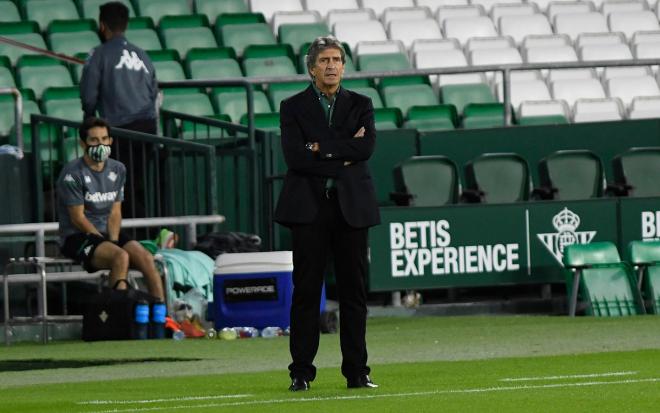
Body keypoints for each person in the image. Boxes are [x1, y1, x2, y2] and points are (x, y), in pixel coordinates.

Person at [274, 36, 380, 391]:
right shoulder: (292, 106)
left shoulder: (362, 103)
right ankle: (301, 372)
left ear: (344, 66)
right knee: (305, 292)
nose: (332, 66)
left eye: (337, 59)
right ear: (311, 67)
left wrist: (321, 149)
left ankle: (357, 372)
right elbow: (296, 157)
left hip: (351, 209)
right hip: (309, 210)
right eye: (324, 61)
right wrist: (342, 155)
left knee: (354, 293)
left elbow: (366, 147)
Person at [56, 117, 164, 301]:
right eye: (94, 140)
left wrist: (112, 240)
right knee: (120, 257)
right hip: (77, 236)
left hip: (107, 232)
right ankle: (118, 314)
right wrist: (103, 243)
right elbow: (77, 218)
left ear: (111, 141)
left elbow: (115, 212)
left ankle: (162, 313)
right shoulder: (72, 174)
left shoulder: (118, 169)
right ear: (83, 144)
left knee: (145, 257)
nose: (101, 144)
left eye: (105, 139)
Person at [80, 1, 159, 219]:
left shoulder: (98, 54)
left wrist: (88, 118)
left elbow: (88, 96)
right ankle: (145, 232)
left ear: (102, 26)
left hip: (121, 130)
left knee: (119, 186)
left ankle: (136, 234)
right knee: (138, 185)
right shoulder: (142, 55)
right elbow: (154, 92)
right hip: (148, 128)